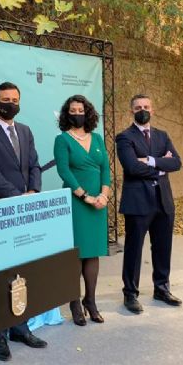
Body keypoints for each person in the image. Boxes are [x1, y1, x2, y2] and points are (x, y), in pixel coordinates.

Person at [0, 81, 48, 362]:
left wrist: (34, 191)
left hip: (25, 210)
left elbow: (35, 165)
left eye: (15, 100)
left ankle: (20, 327)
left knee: (22, 270)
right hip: (1, 209)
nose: (10, 104)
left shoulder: (25, 131)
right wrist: (18, 197)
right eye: (5, 100)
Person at [116, 94, 182, 314]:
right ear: (131, 111)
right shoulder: (124, 137)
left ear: (152, 110)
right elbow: (132, 167)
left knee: (163, 247)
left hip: (163, 201)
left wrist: (151, 161)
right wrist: (162, 166)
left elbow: (177, 163)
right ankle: (130, 294)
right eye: (137, 107)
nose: (142, 110)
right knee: (134, 249)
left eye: (146, 106)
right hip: (138, 202)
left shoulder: (163, 136)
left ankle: (162, 289)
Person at [53, 95, 111, 326]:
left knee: (93, 252)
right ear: (67, 114)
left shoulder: (97, 138)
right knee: (77, 253)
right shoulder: (62, 140)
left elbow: (105, 168)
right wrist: (85, 196)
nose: (77, 114)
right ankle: (74, 302)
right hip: (77, 202)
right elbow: (64, 171)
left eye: (81, 110)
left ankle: (91, 301)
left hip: (99, 202)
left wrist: (104, 195)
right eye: (73, 111)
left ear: (88, 113)